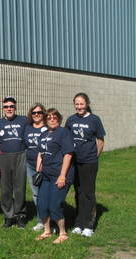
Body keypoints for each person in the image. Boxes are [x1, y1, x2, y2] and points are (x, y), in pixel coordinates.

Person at [65, 93, 106, 237]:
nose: (79, 106)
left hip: (89, 162)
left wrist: (94, 157)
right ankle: (79, 223)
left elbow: (100, 141)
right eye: (76, 104)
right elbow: (66, 139)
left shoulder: (94, 119)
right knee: (78, 192)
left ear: (87, 104)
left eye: (81, 103)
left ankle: (89, 225)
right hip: (74, 162)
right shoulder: (70, 120)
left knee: (88, 193)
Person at [35, 109, 74, 244]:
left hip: (60, 174)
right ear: (45, 119)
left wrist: (62, 176)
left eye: (55, 117)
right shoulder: (43, 134)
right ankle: (47, 231)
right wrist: (38, 168)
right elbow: (40, 152)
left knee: (54, 205)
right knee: (41, 204)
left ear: (59, 119)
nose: (52, 119)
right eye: (49, 117)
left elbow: (68, 154)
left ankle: (63, 233)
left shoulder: (63, 133)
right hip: (46, 175)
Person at [0, 96, 28, 228]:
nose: (9, 109)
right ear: (3, 108)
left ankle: (20, 215)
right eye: (6, 106)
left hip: (20, 156)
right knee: (5, 189)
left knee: (19, 188)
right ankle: (8, 216)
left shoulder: (24, 121)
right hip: (4, 158)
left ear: (15, 107)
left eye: (11, 106)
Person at [24, 104, 47, 231]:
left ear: (43, 113)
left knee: (46, 193)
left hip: (46, 165)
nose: (36, 115)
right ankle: (41, 220)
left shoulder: (48, 128)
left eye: (39, 112)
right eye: (34, 113)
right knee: (36, 194)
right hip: (30, 165)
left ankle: (50, 219)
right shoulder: (28, 128)